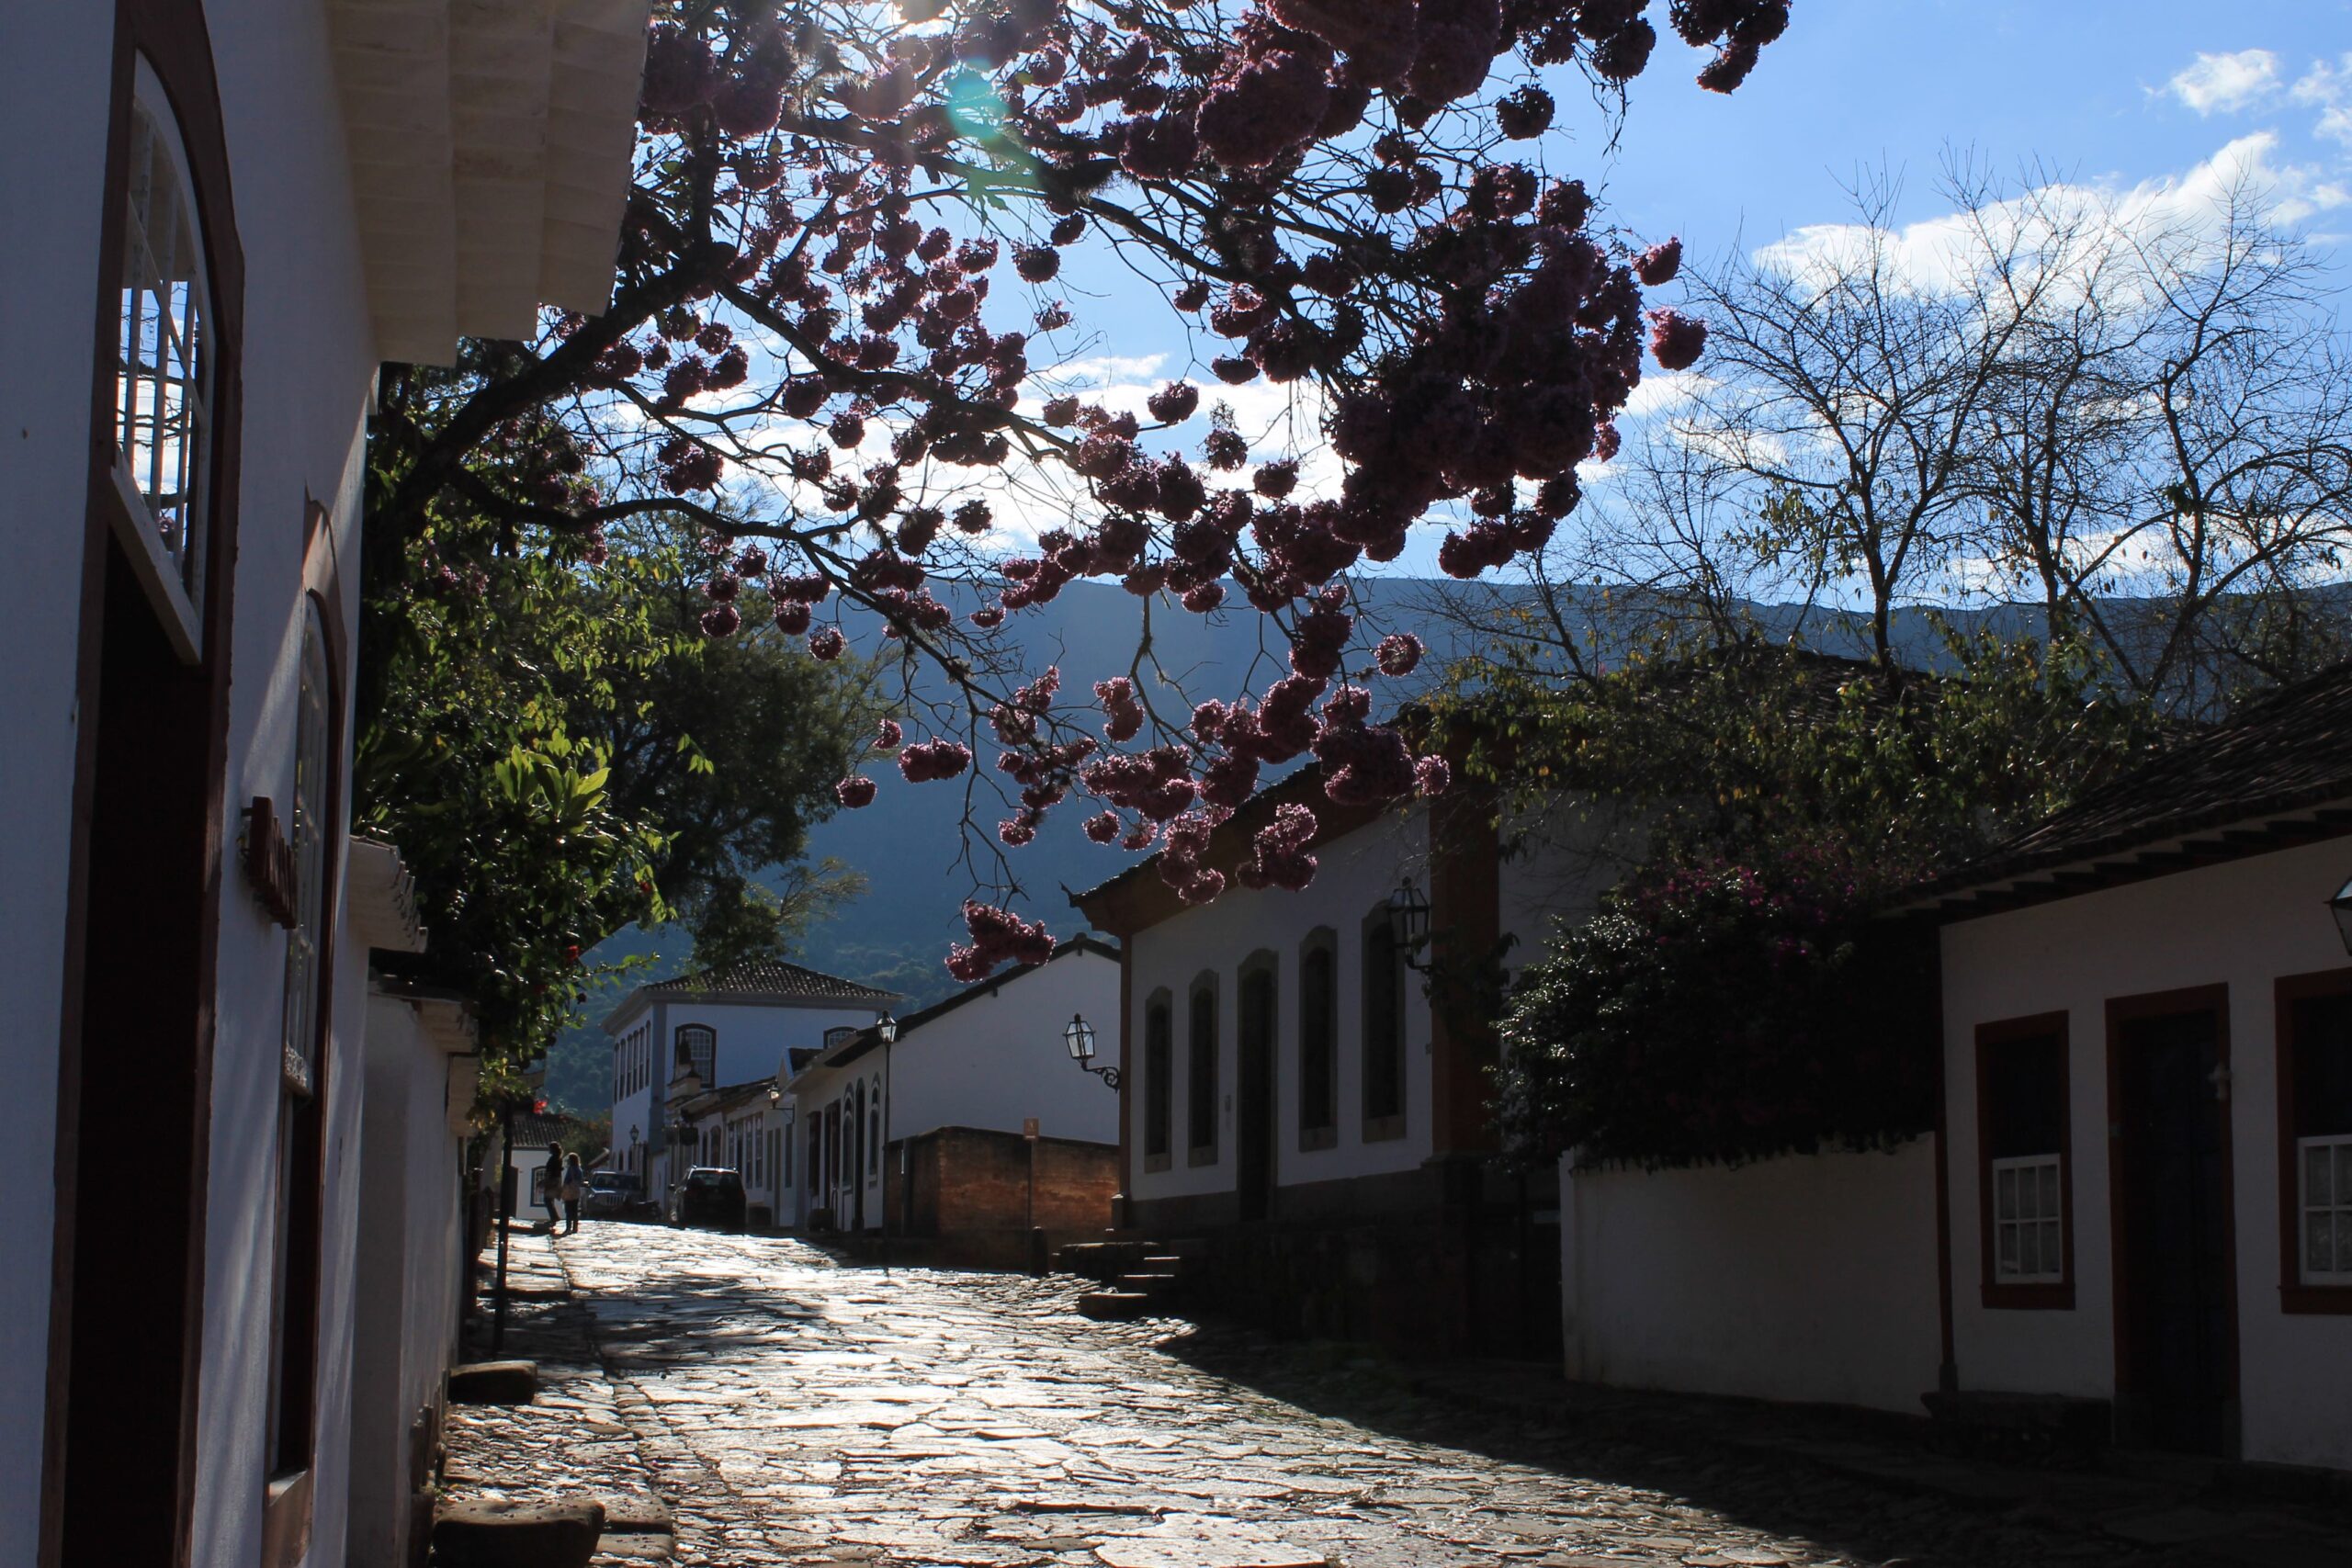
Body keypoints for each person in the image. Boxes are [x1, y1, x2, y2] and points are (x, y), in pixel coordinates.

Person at [560, 1150, 586, 1235]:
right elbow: (580, 1181)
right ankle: (575, 1228)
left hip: (569, 1192)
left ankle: (568, 1228)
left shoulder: (570, 1169)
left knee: (568, 1211)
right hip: (576, 1192)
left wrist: (563, 1188)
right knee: (575, 1211)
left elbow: (567, 1181)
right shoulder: (579, 1169)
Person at [541, 1143, 565, 1232]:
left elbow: (550, 1171)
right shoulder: (558, 1159)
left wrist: (545, 1181)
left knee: (547, 1199)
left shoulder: (553, 1159)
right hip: (556, 1180)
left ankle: (554, 1217)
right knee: (550, 1199)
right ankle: (554, 1218)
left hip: (552, 1180)